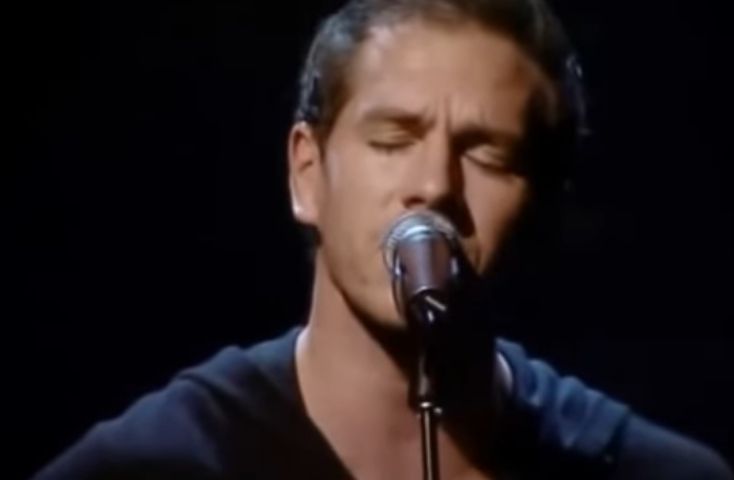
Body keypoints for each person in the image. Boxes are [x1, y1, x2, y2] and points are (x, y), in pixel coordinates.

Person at [33, 0, 732, 478]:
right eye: (393, 139)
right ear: (307, 173)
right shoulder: (158, 464)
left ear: (544, 205)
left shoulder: (646, 470)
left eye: (487, 154)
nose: (433, 185)